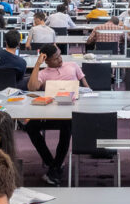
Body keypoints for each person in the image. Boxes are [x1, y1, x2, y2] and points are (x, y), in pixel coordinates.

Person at [27, 43, 89, 185]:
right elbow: (32, 87)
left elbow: (86, 86)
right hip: (51, 112)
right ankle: (53, 164)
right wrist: (37, 64)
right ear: (46, 60)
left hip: (71, 111)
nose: (60, 60)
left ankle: (55, 167)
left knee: (67, 124)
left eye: (60, 56)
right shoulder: (43, 73)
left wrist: (88, 92)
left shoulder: (72, 65)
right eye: (55, 58)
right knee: (30, 126)